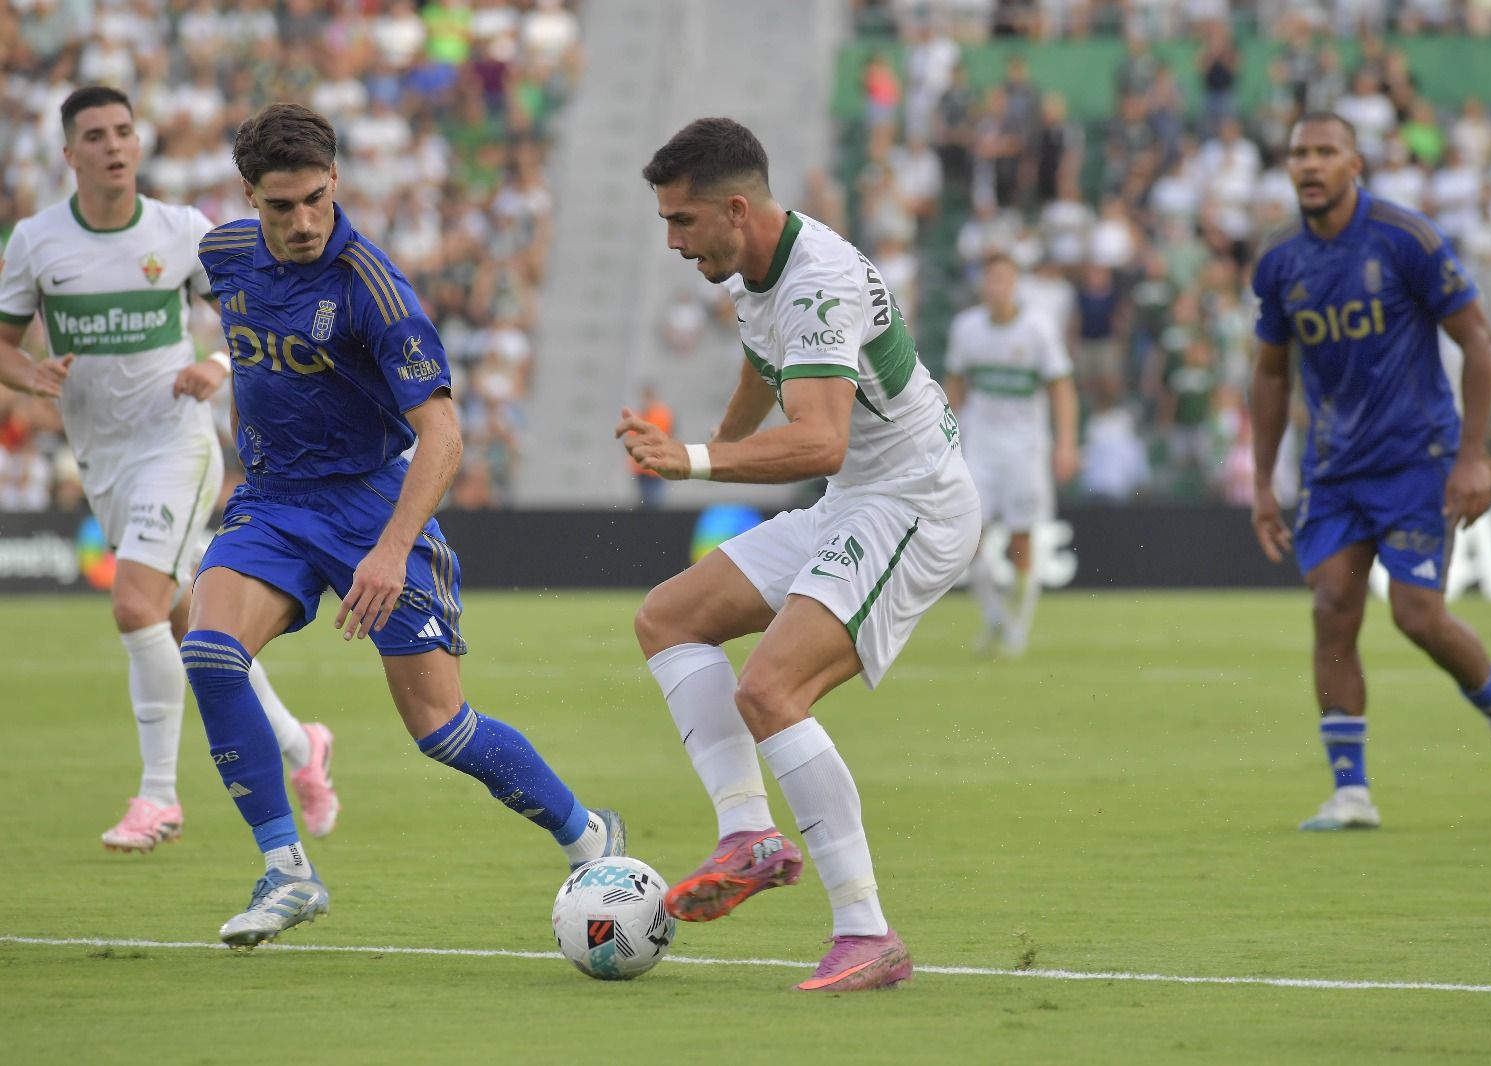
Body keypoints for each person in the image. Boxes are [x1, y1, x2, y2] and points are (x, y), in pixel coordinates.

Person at [183, 102, 623, 949]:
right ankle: (287, 872)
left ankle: (587, 835)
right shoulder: (222, 255)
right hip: (273, 503)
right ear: (250, 197)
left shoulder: (373, 289)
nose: (305, 220)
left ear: (337, 180)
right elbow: (231, 332)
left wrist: (387, 553)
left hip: (371, 509)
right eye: (282, 206)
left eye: (317, 197)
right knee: (208, 653)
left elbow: (445, 435)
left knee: (441, 731)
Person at [618, 117, 980, 992]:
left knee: (769, 691)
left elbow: (818, 441)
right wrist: (717, 440)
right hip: (856, 499)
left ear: (736, 209)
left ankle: (867, 933)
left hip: (914, 505)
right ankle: (748, 833)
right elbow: (759, 368)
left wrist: (694, 462)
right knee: (668, 618)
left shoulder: (818, 282)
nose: (671, 241)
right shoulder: (753, 265)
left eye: (682, 222)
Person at [0, 86, 339, 854]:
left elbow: (259, 311)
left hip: (175, 445)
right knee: (198, 632)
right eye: (96, 135)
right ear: (69, 154)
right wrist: (31, 377)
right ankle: (301, 746)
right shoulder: (36, 242)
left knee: (133, 605)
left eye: (124, 130)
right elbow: (5, 345)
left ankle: (158, 798)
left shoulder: (182, 231)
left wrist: (216, 362)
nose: (114, 145)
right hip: (102, 457)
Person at [1249, 112, 1491, 832]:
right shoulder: (1280, 259)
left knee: (1416, 616)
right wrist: (1262, 480)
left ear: (1357, 165)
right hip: (1334, 470)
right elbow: (1269, 370)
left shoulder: (1405, 238)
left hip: (1417, 459)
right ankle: (1352, 792)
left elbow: (1477, 340)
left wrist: (1474, 455)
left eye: (1325, 152)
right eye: (1298, 154)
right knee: (1331, 614)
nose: (1309, 165)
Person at [943, 252, 1078, 657]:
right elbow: (955, 386)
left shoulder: (1038, 329)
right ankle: (995, 615)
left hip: (1026, 449)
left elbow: (1061, 387)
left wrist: (1067, 442)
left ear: (1015, 284)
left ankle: (1019, 626)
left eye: (1003, 280)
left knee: (1022, 537)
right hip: (979, 444)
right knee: (967, 536)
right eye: (990, 280)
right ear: (982, 285)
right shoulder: (966, 328)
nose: (996, 288)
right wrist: (944, 442)